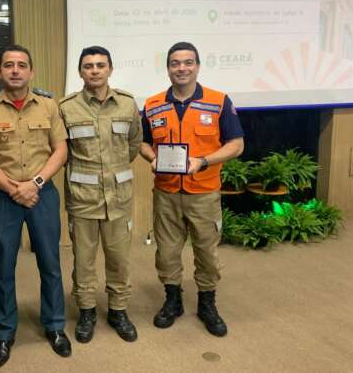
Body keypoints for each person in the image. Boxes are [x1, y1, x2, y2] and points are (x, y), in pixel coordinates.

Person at [0, 44, 71, 368]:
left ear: (31, 71)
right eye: (9, 65)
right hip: (4, 197)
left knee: (50, 262)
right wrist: (15, 188)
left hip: (42, 194)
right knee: (3, 267)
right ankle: (4, 333)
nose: (15, 70)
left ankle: (55, 326)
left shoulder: (48, 105)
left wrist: (35, 184)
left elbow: (60, 150)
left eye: (21, 65)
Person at [140, 42, 244, 337]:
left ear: (197, 66)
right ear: (168, 68)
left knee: (207, 253)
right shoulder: (152, 104)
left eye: (188, 62)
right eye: (175, 63)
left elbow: (237, 144)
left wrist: (204, 161)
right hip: (167, 193)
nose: (181, 68)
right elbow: (142, 143)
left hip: (204, 193)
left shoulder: (218, 101)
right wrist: (152, 157)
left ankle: (207, 304)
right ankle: (172, 301)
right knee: (167, 252)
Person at [59, 46, 142, 343]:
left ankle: (118, 310)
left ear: (110, 69)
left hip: (118, 198)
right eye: (88, 66)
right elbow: (62, 151)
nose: (95, 70)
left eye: (100, 65)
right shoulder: (66, 107)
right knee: (83, 260)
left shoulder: (127, 104)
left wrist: (113, 171)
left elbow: (134, 144)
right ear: (80, 72)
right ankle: (87, 310)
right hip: (83, 198)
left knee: (119, 258)